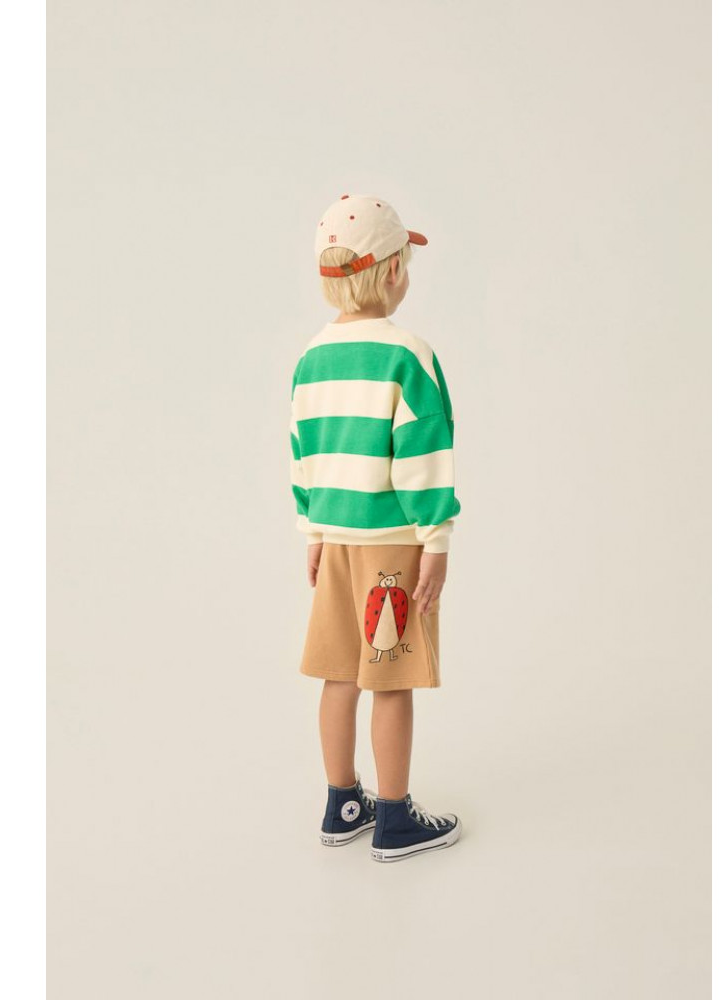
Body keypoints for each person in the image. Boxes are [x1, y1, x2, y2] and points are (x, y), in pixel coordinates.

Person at [289, 193, 463, 862]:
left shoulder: (312, 358)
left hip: (334, 540)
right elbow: (425, 453)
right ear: (393, 270)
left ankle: (343, 805)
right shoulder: (407, 354)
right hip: (393, 543)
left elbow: (304, 450)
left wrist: (313, 531)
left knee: (339, 674)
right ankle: (394, 817)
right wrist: (435, 539)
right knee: (390, 678)